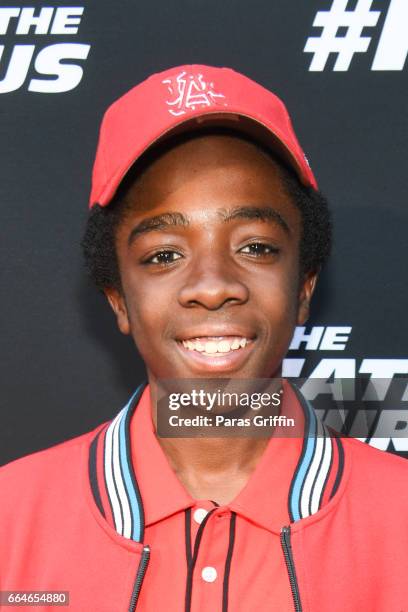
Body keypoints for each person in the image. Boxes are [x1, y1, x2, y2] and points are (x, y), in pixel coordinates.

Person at [1, 64, 408, 612]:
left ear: (305, 286)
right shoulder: (12, 516)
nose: (213, 287)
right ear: (118, 298)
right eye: (164, 254)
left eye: (256, 247)